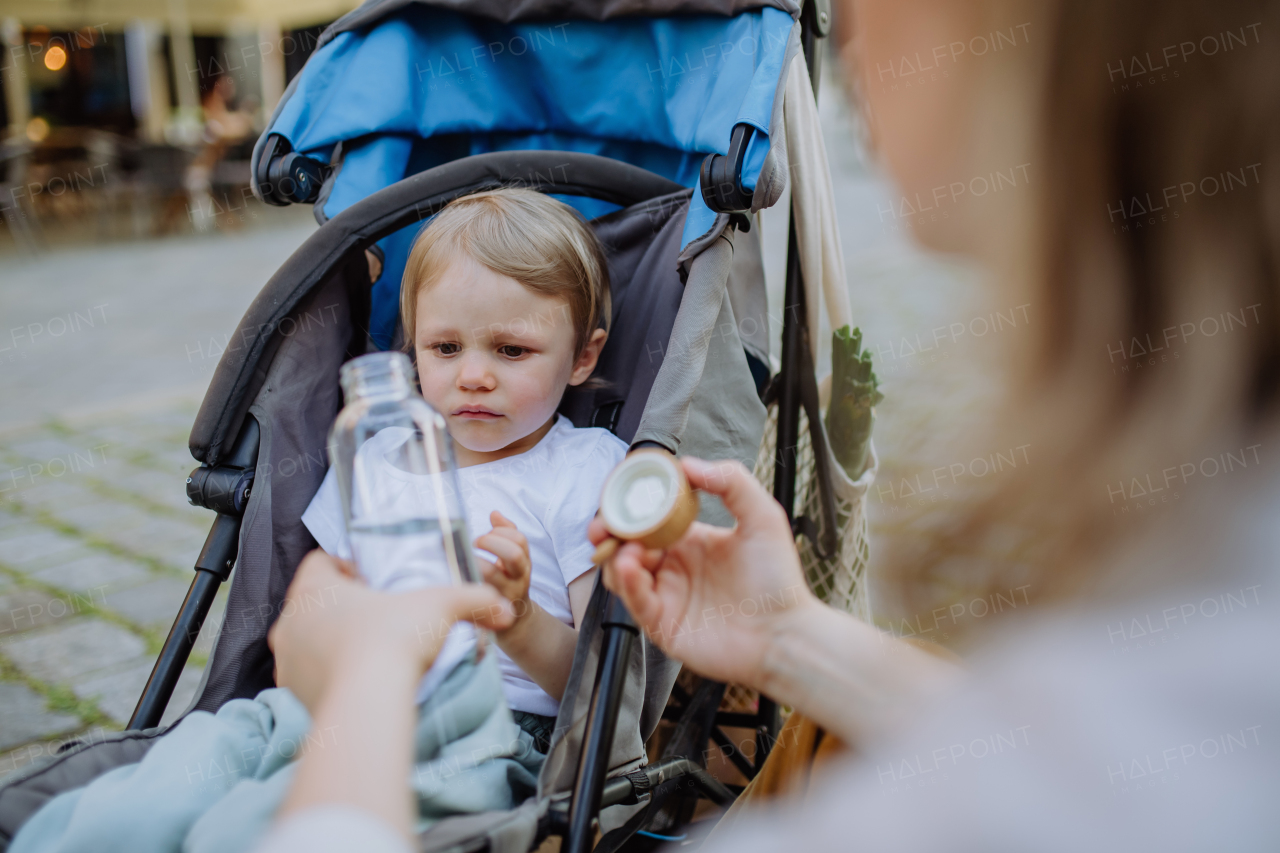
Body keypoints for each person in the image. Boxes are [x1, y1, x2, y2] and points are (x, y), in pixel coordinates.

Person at [254, 0, 1280, 849]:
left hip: (469, 737)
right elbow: (1063, 761)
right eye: (444, 349)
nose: (839, 30)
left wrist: (373, 676)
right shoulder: (1187, 655)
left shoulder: (583, 473)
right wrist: (790, 637)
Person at [302, 187, 626, 750]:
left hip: (497, 728)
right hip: (357, 708)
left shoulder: (584, 471)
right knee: (230, 743)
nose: (473, 375)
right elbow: (313, 608)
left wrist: (519, 619)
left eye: (511, 350)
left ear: (582, 357)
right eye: (446, 348)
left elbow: (604, 685)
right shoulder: (372, 456)